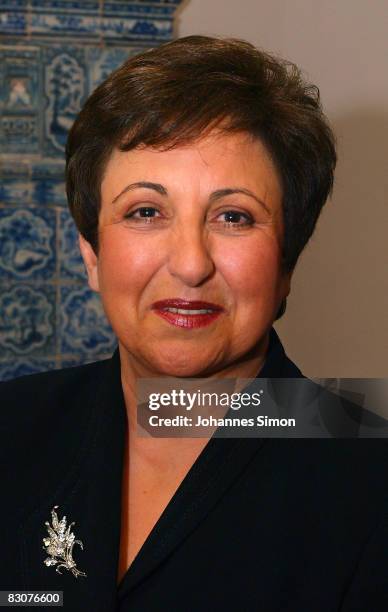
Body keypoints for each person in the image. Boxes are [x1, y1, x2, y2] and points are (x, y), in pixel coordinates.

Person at [0, 36, 387, 611]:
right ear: (91, 256)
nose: (190, 262)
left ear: (285, 264)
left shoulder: (371, 481)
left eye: (234, 217)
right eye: (146, 212)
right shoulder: (12, 429)